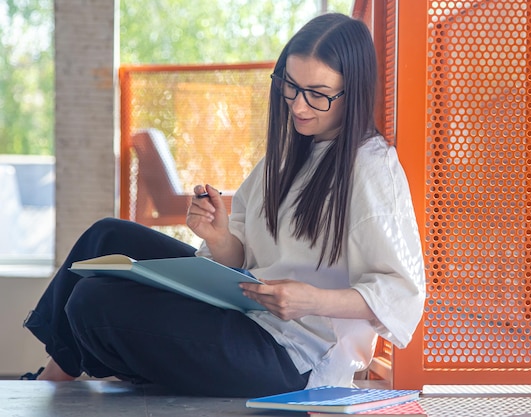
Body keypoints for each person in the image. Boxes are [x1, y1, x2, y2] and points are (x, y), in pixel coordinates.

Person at [22, 13, 426, 397]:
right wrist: (218, 236)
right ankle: (56, 375)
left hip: (296, 357)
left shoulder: (372, 169)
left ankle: (55, 382)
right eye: (290, 86)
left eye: (317, 95)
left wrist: (311, 299)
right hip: (246, 307)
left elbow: (402, 294)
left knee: (94, 303)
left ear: (351, 92)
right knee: (106, 236)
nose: (298, 106)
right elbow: (243, 257)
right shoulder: (288, 154)